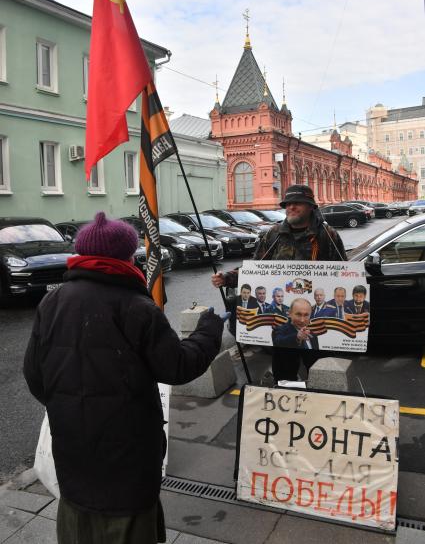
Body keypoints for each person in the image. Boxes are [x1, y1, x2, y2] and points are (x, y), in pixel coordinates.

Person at [24, 212, 224, 544]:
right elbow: (177, 367)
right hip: (129, 456)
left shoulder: (52, 301)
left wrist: (71, 406)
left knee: (79, 524)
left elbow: (35, 376)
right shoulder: (136, 306)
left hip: (73, 447)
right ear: (127, 257)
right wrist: (208, 330)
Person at [211, 184, 347, 383]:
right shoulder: (274, 234)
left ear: (311, 206)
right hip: (284, 325)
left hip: (317, 326)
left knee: (320, 374)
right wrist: (228, 278)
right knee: (283, 375)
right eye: (287, 204)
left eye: (297, 203)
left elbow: (344, 273)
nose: (291, 207)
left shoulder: (328, 235)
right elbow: (255, 268)